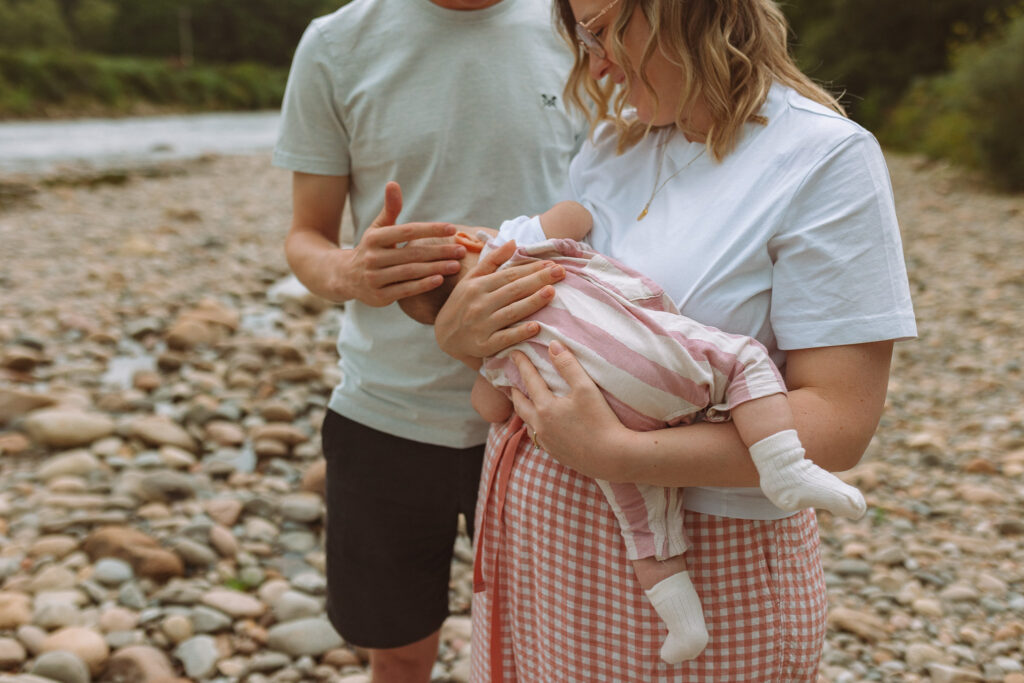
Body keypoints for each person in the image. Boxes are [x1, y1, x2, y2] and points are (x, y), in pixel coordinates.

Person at [430, 0, 917, 679]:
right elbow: (564, 325)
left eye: (603, 30)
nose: (591, 62)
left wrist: (619, 452)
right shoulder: (613, 147)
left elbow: (840, 422)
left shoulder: (822, 159)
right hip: (542, 532)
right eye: (580, 34)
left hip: (705, 557)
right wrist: (461, 334)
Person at [399, 201, 867, 663]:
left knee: (645, 526)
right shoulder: (509, 248)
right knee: (742, 362)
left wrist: (465, 348)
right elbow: (577, 214)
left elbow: (492, 406)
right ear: (466, 240)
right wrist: (508, 231)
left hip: (597, 422)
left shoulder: (496, 353)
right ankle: (782, 465)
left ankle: (684, 623)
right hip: (654, 367)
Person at [271, 0, 582, 680]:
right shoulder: (336, 43)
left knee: (554, 651)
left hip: (546, 413)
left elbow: (625, 202)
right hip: (386, 412)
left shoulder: (582, 26)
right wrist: (350, 269)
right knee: (400, 647)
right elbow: (306, 234)